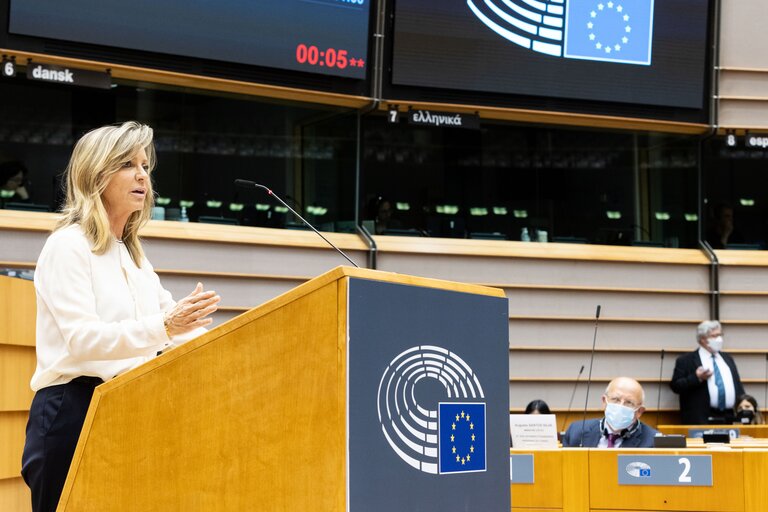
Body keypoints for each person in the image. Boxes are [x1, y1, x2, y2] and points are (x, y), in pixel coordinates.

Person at [20, 121, 221, 512]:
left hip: (127, 406)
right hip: (71, 410)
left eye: (145, 165)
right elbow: (83, 339)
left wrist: (231, 340)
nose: (143, 175)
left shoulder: (134, 257)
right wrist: (166, 325)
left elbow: (172, 328)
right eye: (128, 164)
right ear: (97, 174)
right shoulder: (67, 246)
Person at [670, 320, 744, 425]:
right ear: (702, 339)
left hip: (730, 417)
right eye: (714, 336)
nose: (719, 339)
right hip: (701, 418)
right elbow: (675, 386)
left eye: (720, 335)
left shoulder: (727, 359)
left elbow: (738, 386)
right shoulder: (686, 360)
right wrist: (696, 377)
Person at [561, 377, 658, 448]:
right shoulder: (576, 431)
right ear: (604, 401)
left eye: (629, 402)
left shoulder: (654, 441)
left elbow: (662, 474)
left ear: (639, 411)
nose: (621, 406)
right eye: (615, 399)